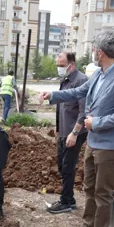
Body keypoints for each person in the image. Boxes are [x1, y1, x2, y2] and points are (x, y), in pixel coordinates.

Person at [38, 30, 114, 227]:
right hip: (94, 142)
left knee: (103, 191)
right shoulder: (100, 74)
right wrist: (52, 95)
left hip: (111, 145)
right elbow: (78, 92)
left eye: (94, 50)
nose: (93, 53)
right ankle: (88, 225)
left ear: (100, 53)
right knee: (89, 186)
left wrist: (97, 122)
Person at [48, 51, 88, 214]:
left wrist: (74, 133)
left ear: (72, 64)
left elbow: (84, 110)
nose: (59, 68)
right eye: (58, 66)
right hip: (64, 131)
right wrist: (58, 128)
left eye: (62, 65)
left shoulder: (81, 80)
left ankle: (66, 202)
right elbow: (60, 106)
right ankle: (69, 198)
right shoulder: (64, 80)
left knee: (67, 166)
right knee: (61, 163)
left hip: (75, 131)